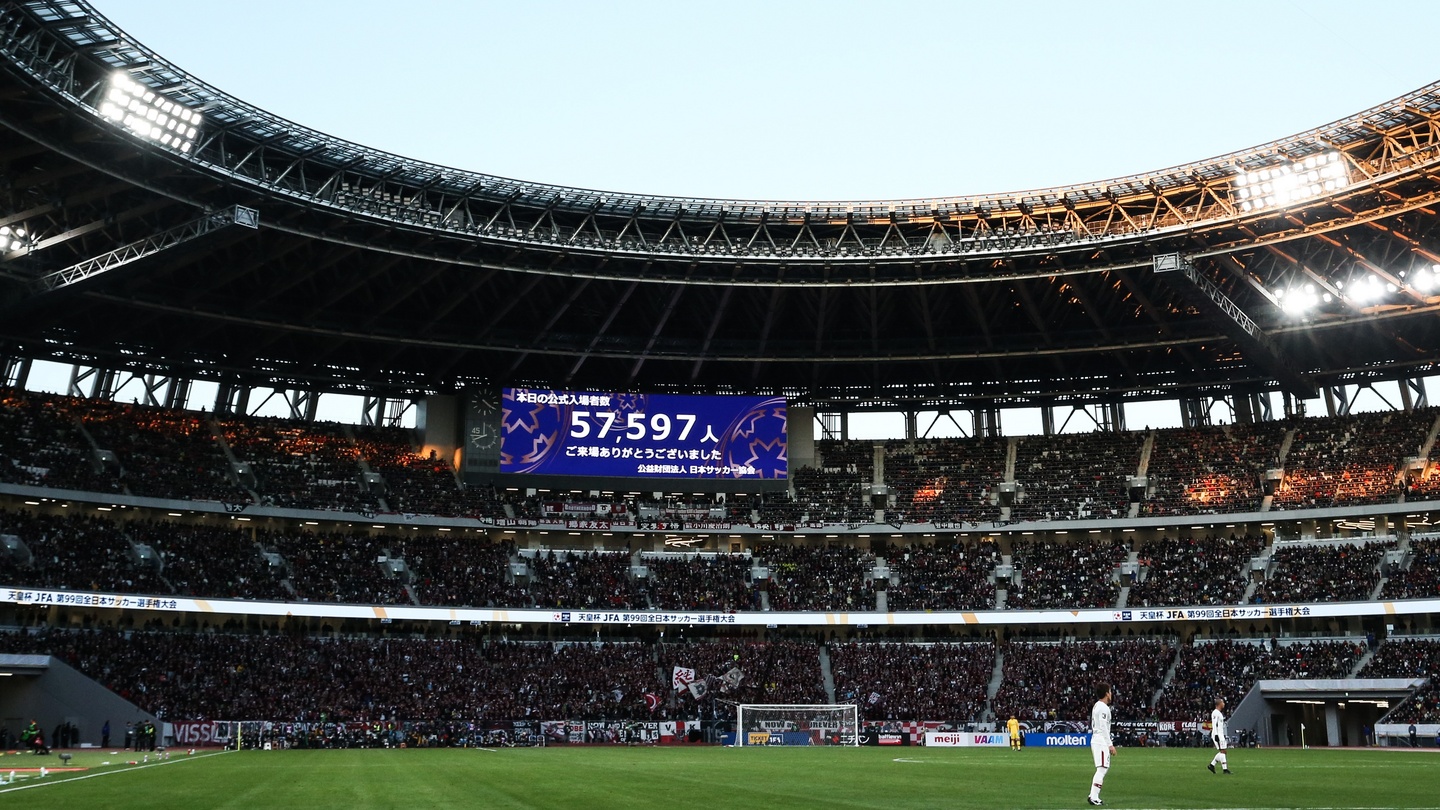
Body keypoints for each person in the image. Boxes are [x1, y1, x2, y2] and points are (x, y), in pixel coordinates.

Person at [1087, 682, 1114, 807]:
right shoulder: (1103, 707)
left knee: (1102, 768)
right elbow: (1103, 726)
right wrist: (1110, 745)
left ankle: (1093, 795)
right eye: (1110, 691)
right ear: (1107, 693)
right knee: (1102, 769)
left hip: (1097, 739)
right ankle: (1094, 796)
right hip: (1100, 740)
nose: (1111, 694)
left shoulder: (1097, 706)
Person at [1208, 697, 1231, 774]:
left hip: (1220, 734)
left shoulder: (1219, 713)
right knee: (1223, 751)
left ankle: (1212, 765)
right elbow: (1214, 724)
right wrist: (1216, 735)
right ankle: (1225, 769)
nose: (1224, 704)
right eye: (1223, 702)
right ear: (1219, 704)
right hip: (1217, 734)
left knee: (1223, 751)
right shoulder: (1215, 713)